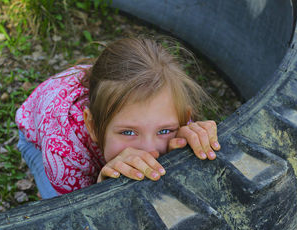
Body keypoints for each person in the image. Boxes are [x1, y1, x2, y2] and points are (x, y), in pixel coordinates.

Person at [16, 37, 220, 199]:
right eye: (128, 132)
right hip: (35, 137)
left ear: (184, 118)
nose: (150, 150)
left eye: (164, 131)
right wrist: (101, 186)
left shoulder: (171, 118)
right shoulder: (62, 152)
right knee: (55, 201)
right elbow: (74, 221)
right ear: (93, 126)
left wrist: (192, 142)